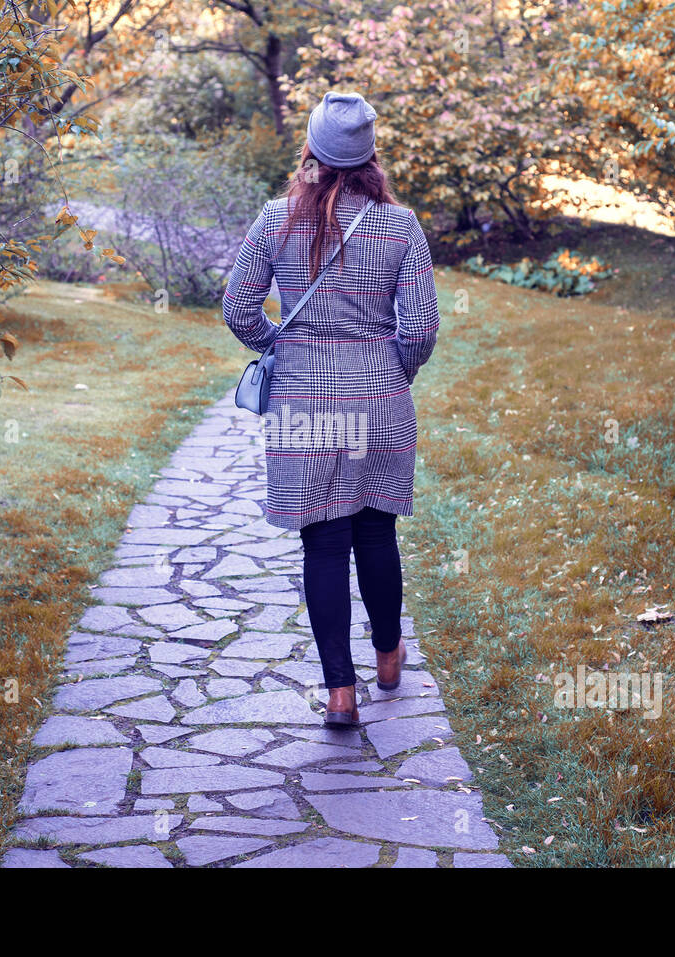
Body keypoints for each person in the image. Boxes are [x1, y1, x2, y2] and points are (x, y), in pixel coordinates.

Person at [222, 91, 441, 727]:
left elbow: (239, 310)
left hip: (302, 400)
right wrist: (394, 367)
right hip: (379, 395)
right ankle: (389, 659)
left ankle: (339, 694)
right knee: (375, 530)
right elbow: (421, 328)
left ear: (311, 149)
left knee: (322, 543)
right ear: (370, 155)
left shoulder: (276, 218)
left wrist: (280, 351)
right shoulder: (400, 225)